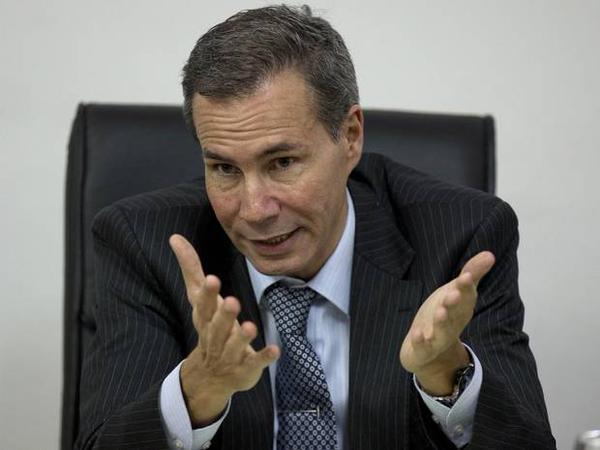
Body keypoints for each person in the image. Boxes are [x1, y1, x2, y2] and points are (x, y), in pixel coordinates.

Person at [76, 5, 555, 450]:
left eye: (282, 162)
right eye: (224, 168)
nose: (255, 209)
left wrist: (447, 373)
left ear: (350, 137)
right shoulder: (143, 243)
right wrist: (198, 389)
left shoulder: (460, 236)